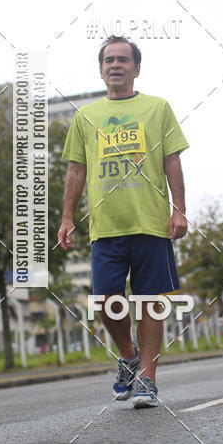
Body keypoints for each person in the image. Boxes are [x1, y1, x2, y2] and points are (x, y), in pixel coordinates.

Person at [58, 36, 189, 407]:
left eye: (123, 59)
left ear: (136, 68)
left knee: (150, 301)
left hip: (150, 221)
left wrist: (178, 209)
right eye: (109, 60)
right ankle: (129, 356)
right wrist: (67, 216)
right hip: (106, 226)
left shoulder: (157, 108)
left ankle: (147, 377)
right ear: (101, 69)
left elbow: (172, 161)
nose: (115, 65)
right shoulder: (85, 116)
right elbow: (76, 169)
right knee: (104, 300)